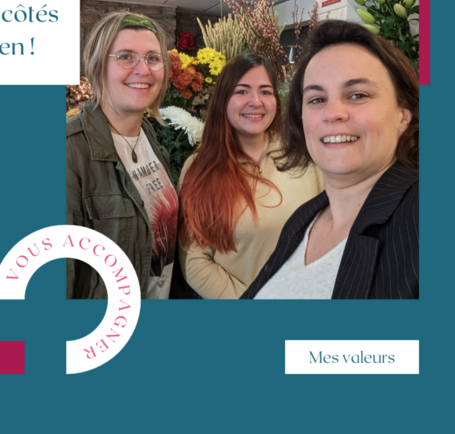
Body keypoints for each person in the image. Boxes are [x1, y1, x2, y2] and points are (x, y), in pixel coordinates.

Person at [242, 20, 419, 300]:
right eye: (316, 99)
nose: (332, 113)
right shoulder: (303, 219)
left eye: (358, 95)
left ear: (404, 113)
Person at [178, 54, 323, 299]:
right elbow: (194, 260)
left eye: (265, 92)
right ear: (223, 99)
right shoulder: (199, 167)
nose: (256, 101)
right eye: (242, 91)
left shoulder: (305, 156)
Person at [66, 12, 178, 299]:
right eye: (126, 57)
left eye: (153, 58)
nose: (143, 69)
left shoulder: (149, 136)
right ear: (98, 66)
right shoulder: (70, 151)